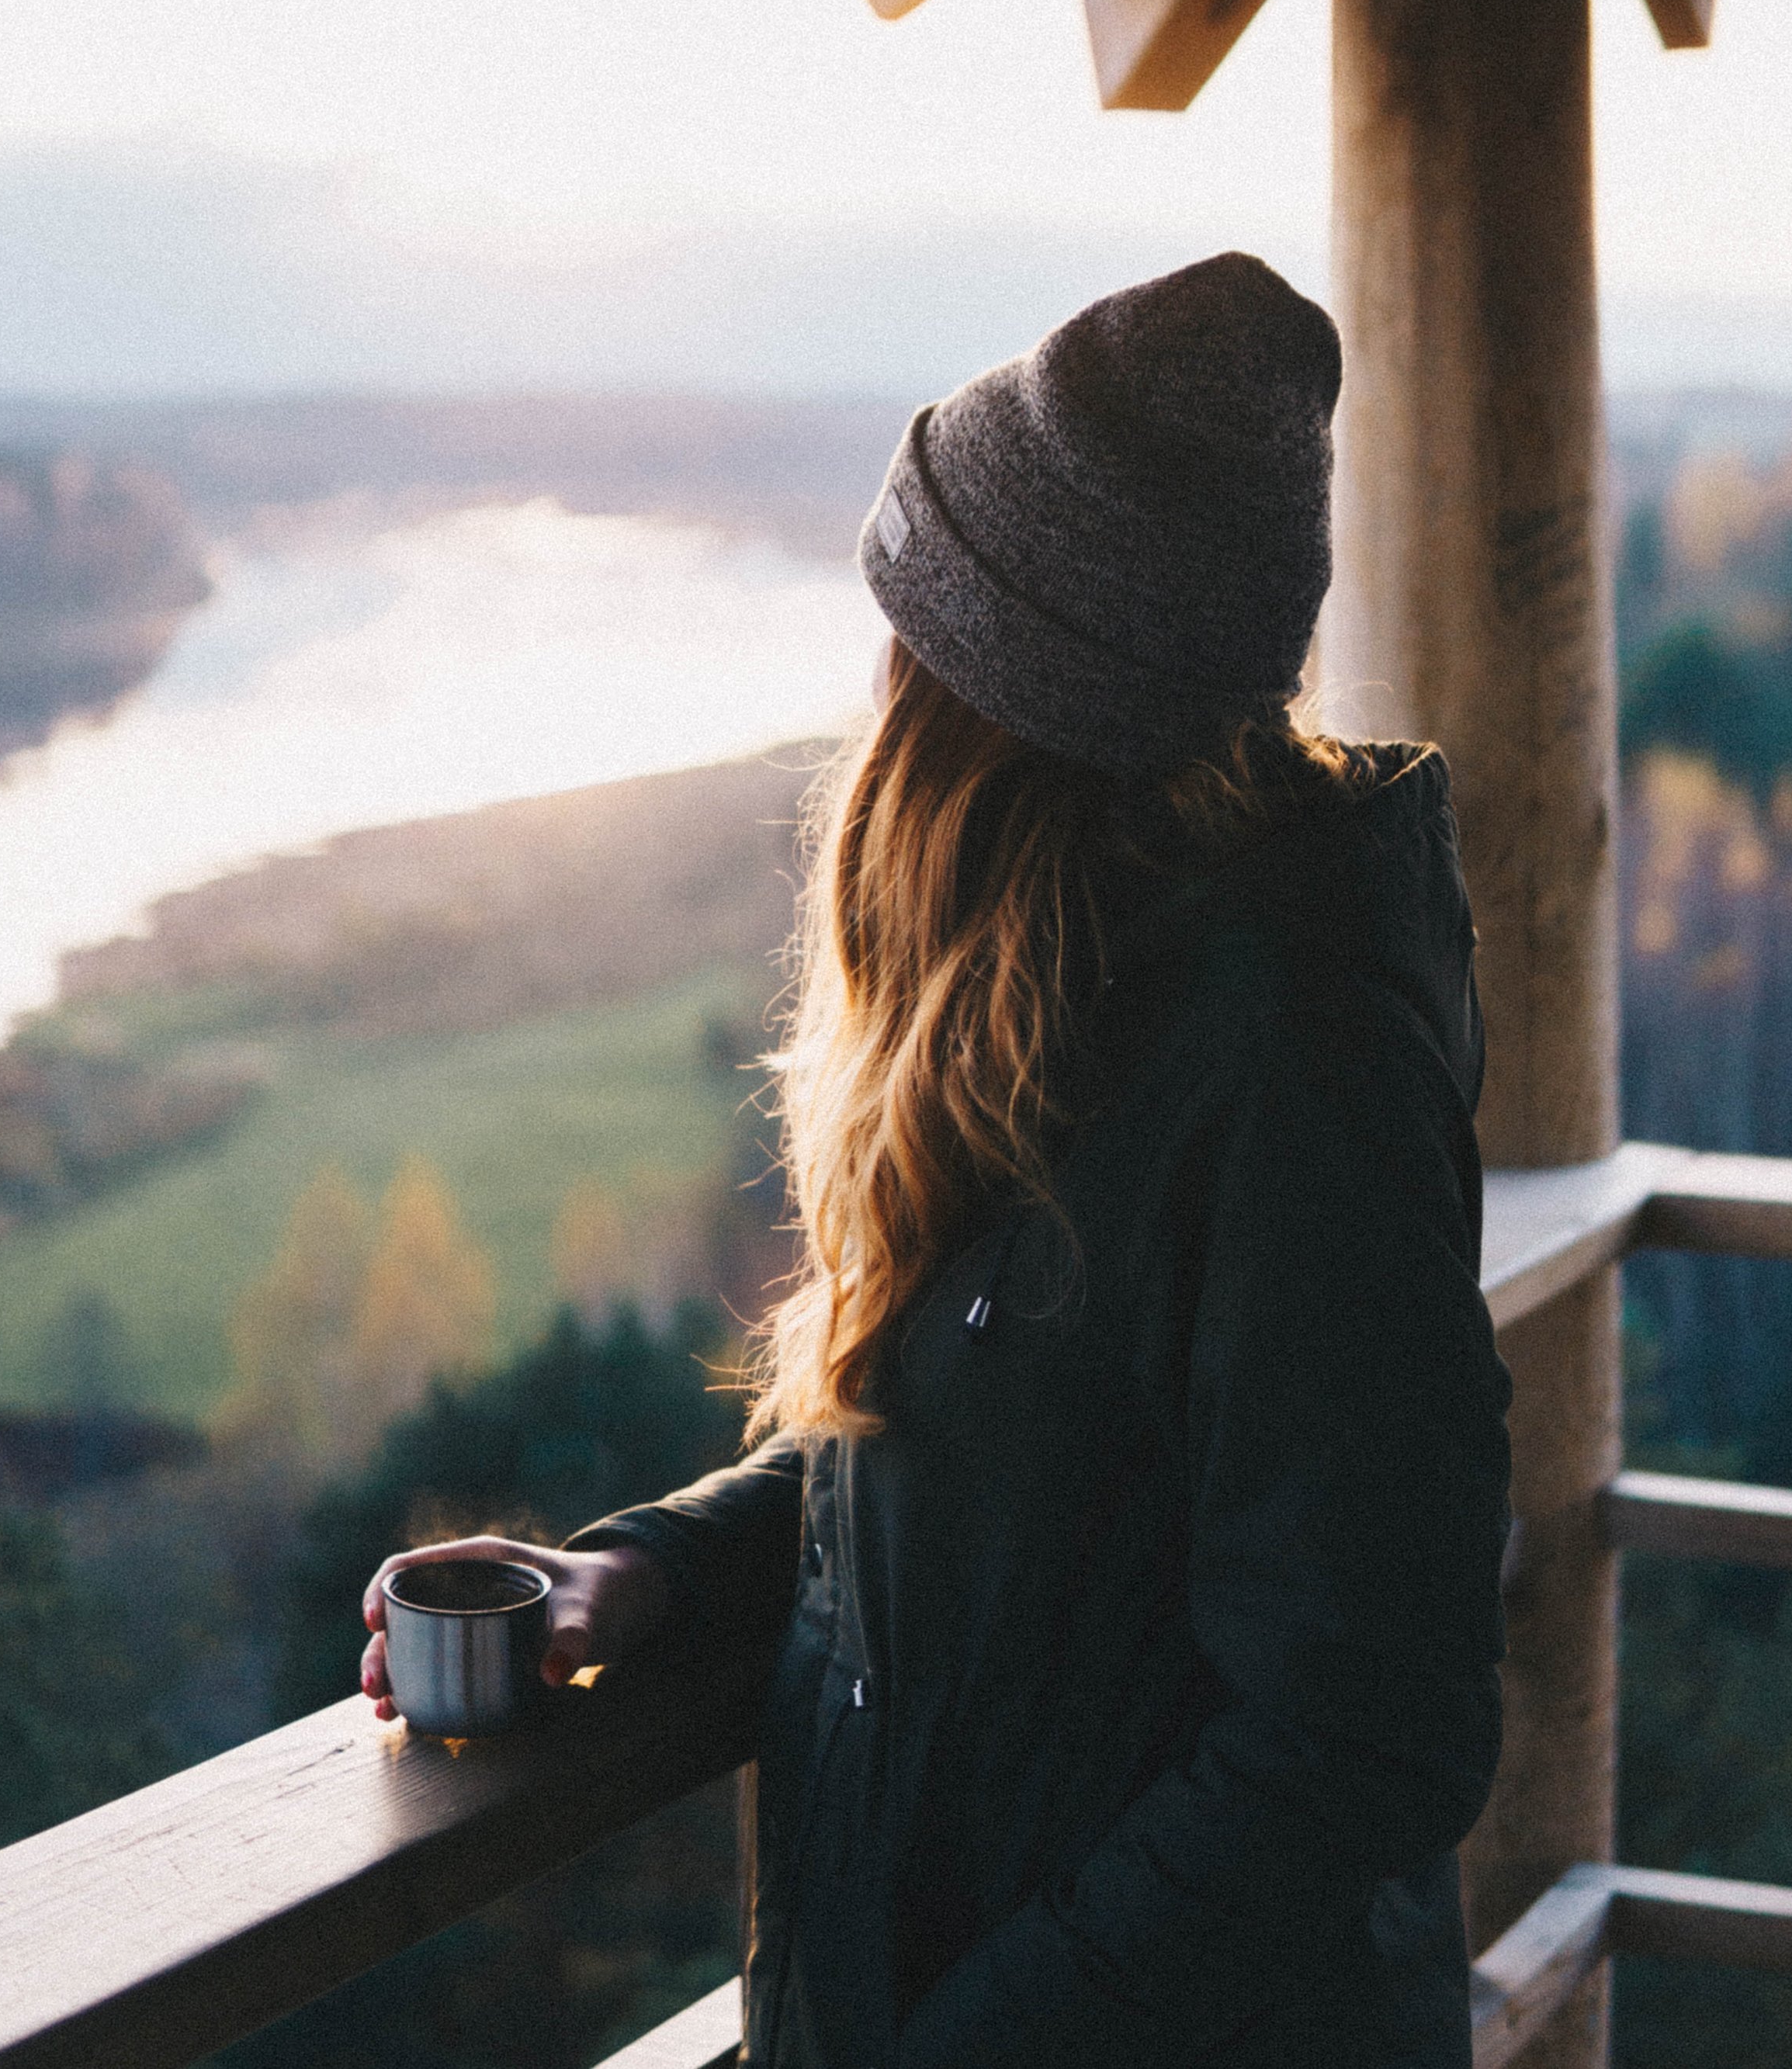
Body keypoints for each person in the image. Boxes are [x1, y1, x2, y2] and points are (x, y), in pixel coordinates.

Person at [362, 253, 1513, 2068]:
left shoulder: (1288, 1065)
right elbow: (974, 1478)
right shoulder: (1068, 996)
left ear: (1001, 694)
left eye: (908, 620)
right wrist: (651, 1573)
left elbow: (1363, 1731)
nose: (875, 675)